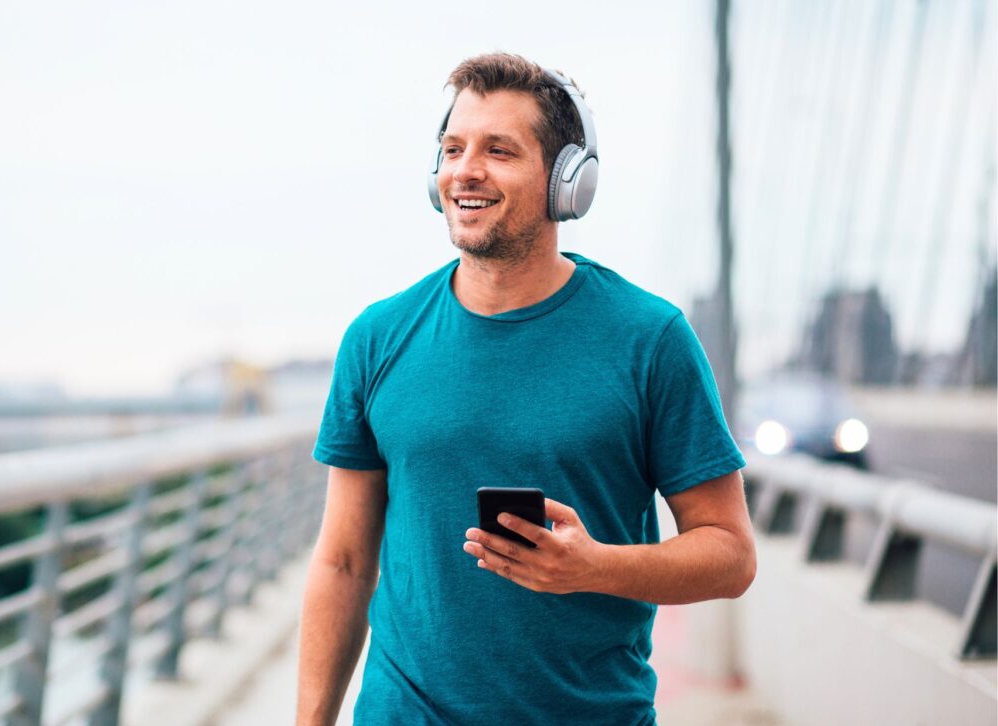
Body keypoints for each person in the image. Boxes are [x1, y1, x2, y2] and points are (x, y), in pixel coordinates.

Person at [295, 52, 757, 726]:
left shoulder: (649, 338)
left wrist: (593, 567)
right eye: (453, 148)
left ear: (568, 180)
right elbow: (341, 562)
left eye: (499, 150)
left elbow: (730, 554)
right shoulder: (378, 337)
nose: (465, 170)